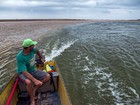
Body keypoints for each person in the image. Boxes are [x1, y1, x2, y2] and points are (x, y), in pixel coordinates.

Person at [16, 38, 50, 105]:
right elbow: (24, 72)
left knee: (48, 76)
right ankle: (32, 100)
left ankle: (34, 88)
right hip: (22, 73)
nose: (34, 46)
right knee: (29, 82)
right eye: (32, 45)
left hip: (33, 70)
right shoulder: (20, 57)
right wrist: (35, 80)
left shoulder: (33, 50)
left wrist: (41, 57)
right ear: (28, 47)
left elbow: (37, 50)